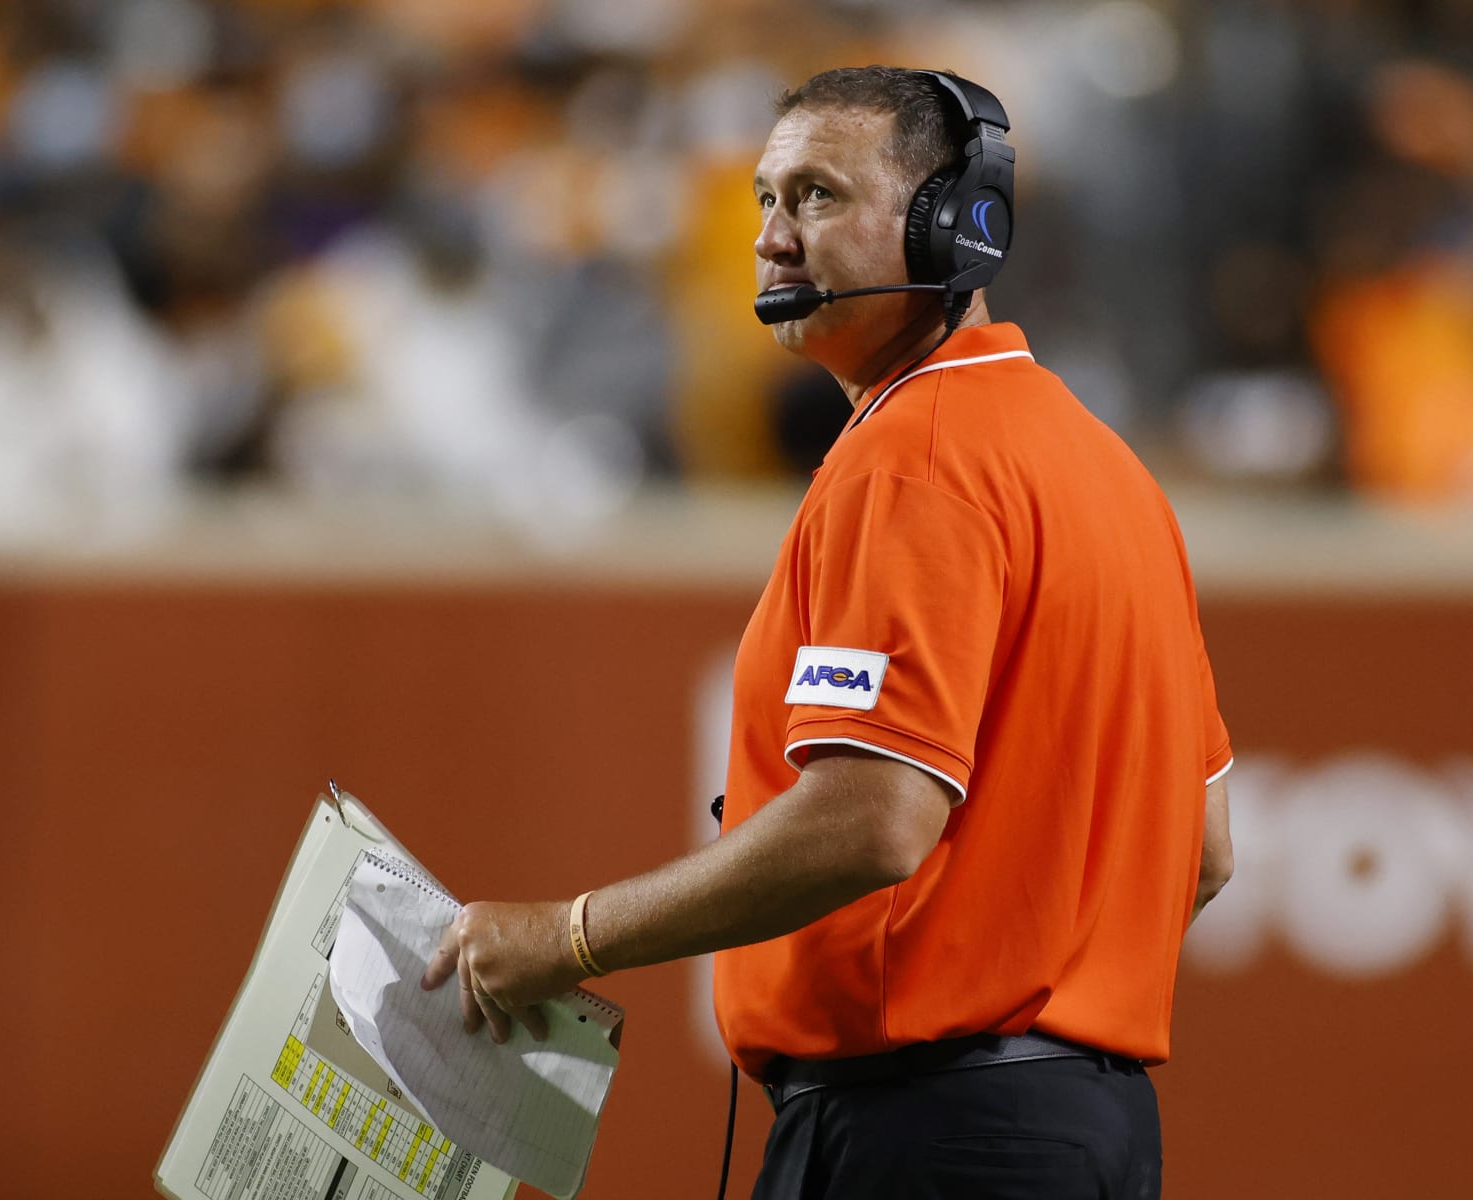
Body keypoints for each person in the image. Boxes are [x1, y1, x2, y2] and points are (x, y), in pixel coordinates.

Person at [420, 65, 1235, 1198]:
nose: (772, 238)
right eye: (765, 199)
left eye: (817, 197)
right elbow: (1203, 851)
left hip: (927, 1135)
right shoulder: (1114, 473)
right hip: (1081, 1135)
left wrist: (571, 936)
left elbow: (872, 819)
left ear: (958, 226)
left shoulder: (917, 456)